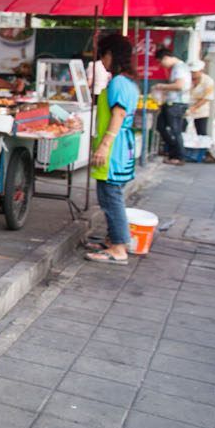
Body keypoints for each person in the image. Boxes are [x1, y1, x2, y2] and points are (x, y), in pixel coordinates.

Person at [85, 33, 141, 264]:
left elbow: (118, 114)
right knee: (111, 195)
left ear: (111, 55)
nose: (102, 60)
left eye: (104, 55)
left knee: (111, 197)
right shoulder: (128, 82)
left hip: (114, 150)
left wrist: (104, 145)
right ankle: (112, 239)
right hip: (122, 147)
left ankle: (118, 248)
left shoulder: (118, 82)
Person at [151, 46, 190, 165]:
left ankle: (179, 156)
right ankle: (173, 152)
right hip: (172, 103)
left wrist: (161, 87)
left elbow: (179, 85)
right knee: (160, 126)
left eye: (160, 62)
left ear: (166, 58)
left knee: (175, 130)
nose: (161, 65)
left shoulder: (179, 67)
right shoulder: (178, 67)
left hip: (176, 104)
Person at [188, 58, 215, 164]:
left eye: (194, 72)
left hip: (201, 109)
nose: (192, 74)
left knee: (201, 131)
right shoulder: (187, 79)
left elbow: (207, 98)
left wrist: (195, 107)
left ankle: (205, 153)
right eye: (191, 72)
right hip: (186, 107)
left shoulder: (208, 81)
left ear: (201, 71)